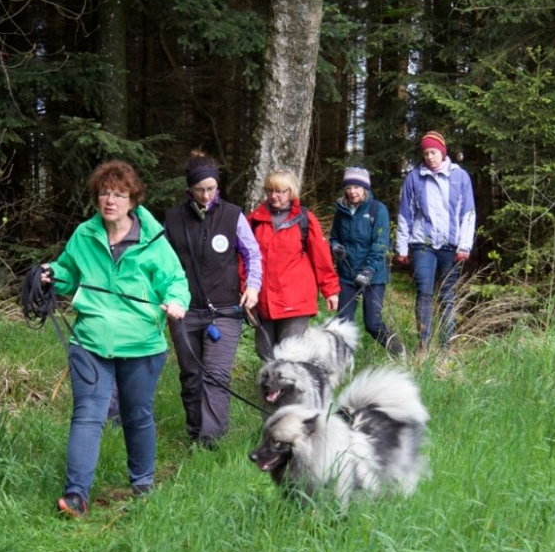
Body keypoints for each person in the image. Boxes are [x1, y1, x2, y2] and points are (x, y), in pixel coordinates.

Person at [42, 160, 190, 518]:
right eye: (105, 193)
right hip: (90, 340)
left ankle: (142, 483)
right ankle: (75, 495)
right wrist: (50, 275)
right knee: (88, 415)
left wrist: (176, 302)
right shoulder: (84, 235)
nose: (110, 200)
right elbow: (68, 274)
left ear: (133, 200)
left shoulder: (153, 239)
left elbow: (175, 280)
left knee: (137, 414)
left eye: (119, 194)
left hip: (141, 342)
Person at [164, 151, 262, 448]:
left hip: (226, 311)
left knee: (216, 374)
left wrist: (253, 287)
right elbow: (160, 263)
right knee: (191, 375)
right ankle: (195, 433)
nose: (206, 195)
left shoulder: (233, 216)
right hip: (184, 311)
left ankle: (212, 441)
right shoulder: (173, 218)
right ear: (189, 189)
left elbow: (253, 254)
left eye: (211, 189)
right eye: (200, 190)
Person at [395, 131, 476, 352]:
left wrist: (464, 246)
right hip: (423, 244)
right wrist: (402, 247)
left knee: (447, 295)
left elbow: (468, 214)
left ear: (442, 152)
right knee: (424, 290)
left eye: (433, 152)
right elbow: (405, 214)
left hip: (451, 246)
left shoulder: (460, 177)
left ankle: (445, 345)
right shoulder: (414, 178)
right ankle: (423, 343)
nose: (429, 157)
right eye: (425, 153)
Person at [248, 168, 339, 359]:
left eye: (280, 191)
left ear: (291, 192)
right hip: (263, 300)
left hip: (295, 299)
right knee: (264, 352)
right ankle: (273, 389)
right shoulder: (254, 220)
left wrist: (330, 291)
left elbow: (321, 257)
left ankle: (298, 388)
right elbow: (244, 258)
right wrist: (245, 289)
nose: (274, 196)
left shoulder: (305, 219)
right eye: (270, 191)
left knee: (290, 354)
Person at [330, 167, 405, 357]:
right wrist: (335, 247)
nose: (352, 191)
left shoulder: (377, 210)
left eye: (356, 187)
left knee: (373, 324)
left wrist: (368, 271)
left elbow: (381, 244)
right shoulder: (341, 210)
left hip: (373, 276)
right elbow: (334, 237)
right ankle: (343, 364)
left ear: (365, 189)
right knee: (342, 324)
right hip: (347, 274)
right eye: (348, 187)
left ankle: (399, 352)